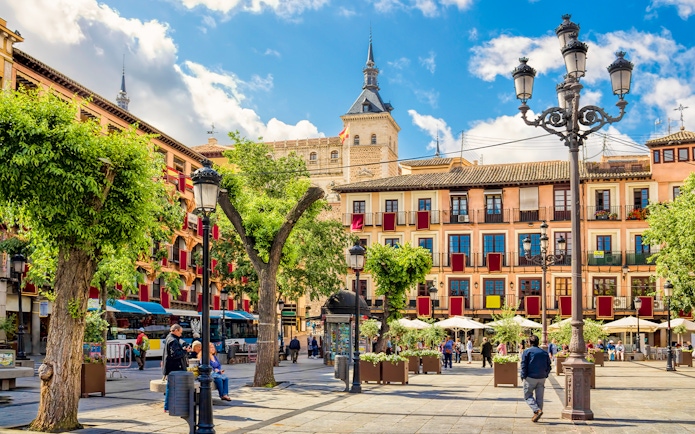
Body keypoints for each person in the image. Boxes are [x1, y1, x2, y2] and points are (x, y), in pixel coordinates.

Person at [520, 334, 551, 423]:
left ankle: (537, 410)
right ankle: (537, 413)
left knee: (528, 395)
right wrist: (546, 374)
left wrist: (523, 375)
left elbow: (523, 365)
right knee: (540, 397)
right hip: (542, 377)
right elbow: (548, 365)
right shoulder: (544, 352)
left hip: (530, 377)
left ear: (529, 342)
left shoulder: (527, 352)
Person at [162, 324, 190, 412]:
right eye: (180, 332)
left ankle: (168, 406)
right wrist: (185, 351)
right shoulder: (173, 340)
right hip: (175, 368)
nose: (181, 334)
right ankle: (169, 406)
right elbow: (175, 354)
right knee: (173, 387)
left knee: (170, 387)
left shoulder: (169, 338)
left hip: (170, 368)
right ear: (176, 330)